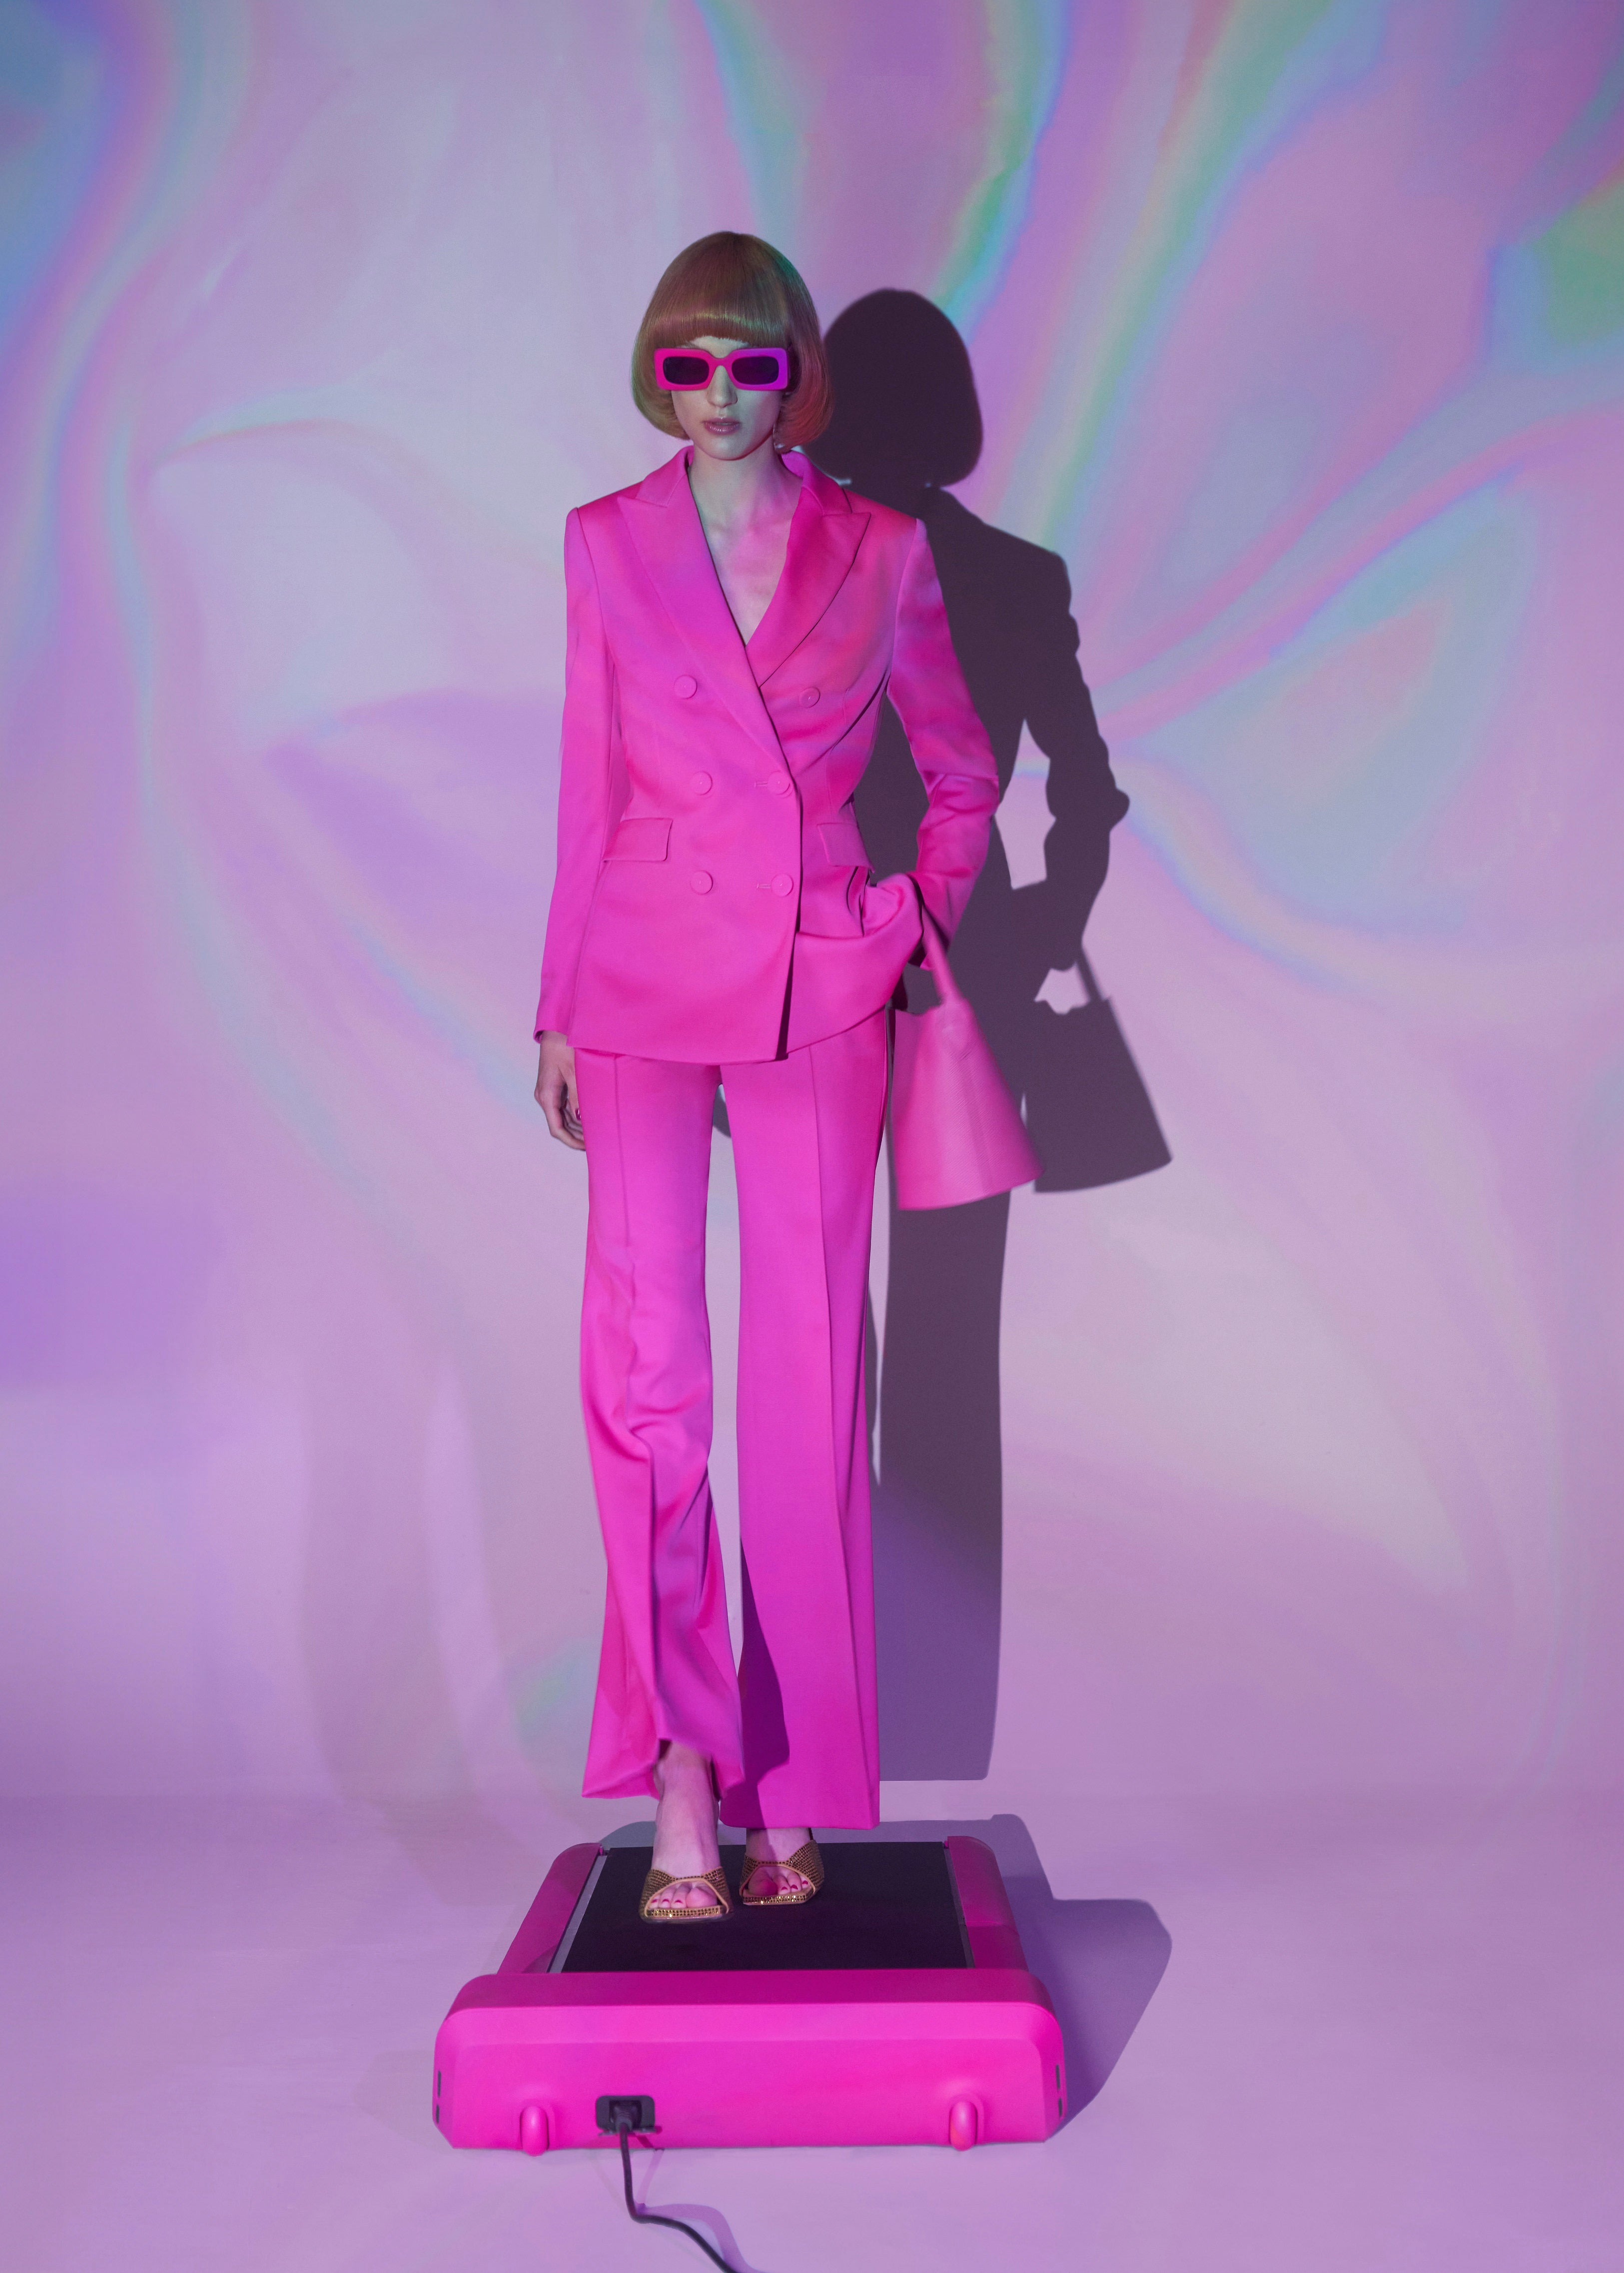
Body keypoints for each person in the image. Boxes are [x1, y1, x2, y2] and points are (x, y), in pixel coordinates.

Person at [532, 233, 999, 1920]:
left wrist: (904, 920)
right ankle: (681, 1764)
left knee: (807, 1390)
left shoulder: (885, 548)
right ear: (655, 375)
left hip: (819, 984)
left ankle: (788, 1786)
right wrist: (556, 1008)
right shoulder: (605, 541)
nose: (719, 394)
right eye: (688, 364)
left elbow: (960, 770)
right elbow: (588, 781)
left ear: (794, 372)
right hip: (640, 982)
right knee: (647, 1377)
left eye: (750, 363)